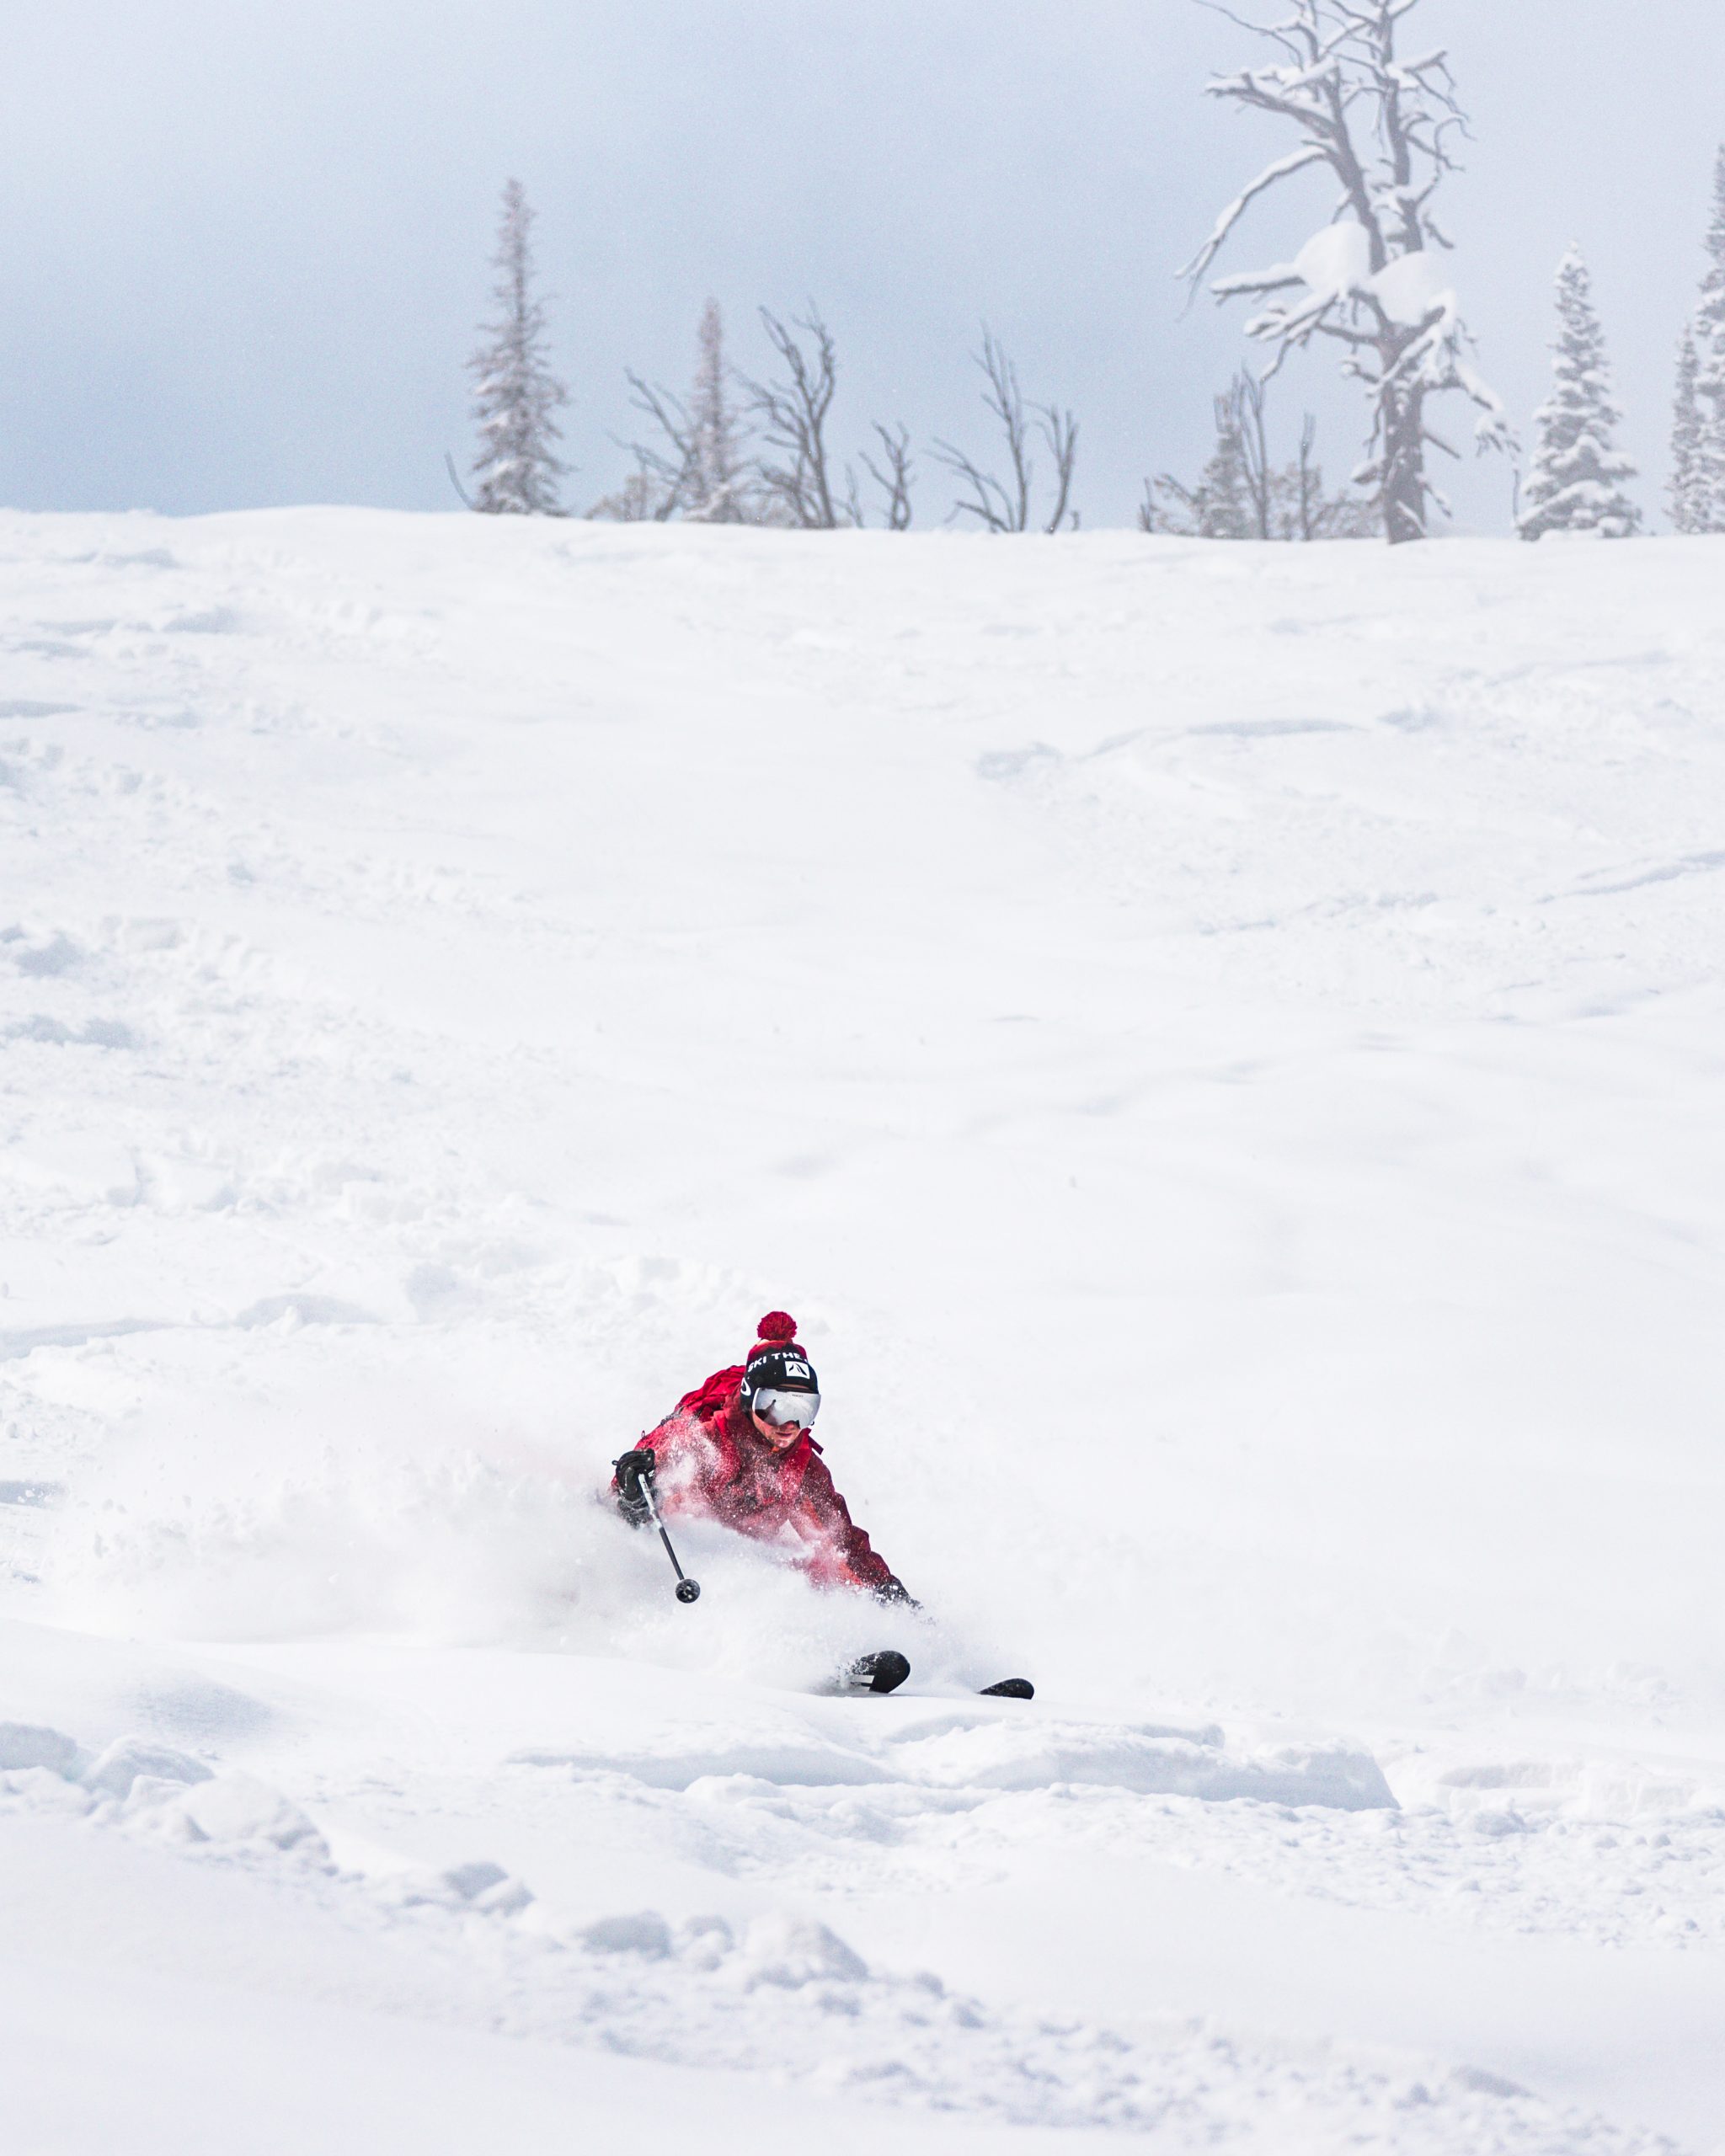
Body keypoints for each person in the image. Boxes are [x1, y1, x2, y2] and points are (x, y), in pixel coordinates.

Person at [611, 1310, 911, 1607]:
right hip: (679, 1561)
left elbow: (841, 1544)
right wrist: (633, 1493)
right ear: (751, 1399)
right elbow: (636, 1481)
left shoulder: (801, 1467)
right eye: (776, 1406)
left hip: (745, 1564)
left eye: (804, 1409)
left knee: (810, 1570)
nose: (790, 1425)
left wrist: (889, 1595)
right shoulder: (703, 1436)